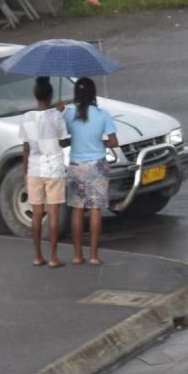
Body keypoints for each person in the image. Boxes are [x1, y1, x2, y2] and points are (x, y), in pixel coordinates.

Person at [63, 77, 120, 266]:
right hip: (97, 165)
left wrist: (60, 110)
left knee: (77, 210)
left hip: (77, 166)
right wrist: (101, 143)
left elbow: (64, 136)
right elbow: (113, 142)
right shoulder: (103, 114)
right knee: (95, 210)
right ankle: (94, 256)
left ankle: (78, 255)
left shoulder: (69, 114)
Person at [18, 78, 70, 267]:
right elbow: (64, 142)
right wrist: (61, 113)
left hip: (34, 169)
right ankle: (54, 257)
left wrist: (26, 172)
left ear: (36, 95)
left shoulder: (26, 117)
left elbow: (25, 147)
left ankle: (37, 256)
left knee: (37, 214)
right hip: (53, 168)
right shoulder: (56, 116)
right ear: (50, 96)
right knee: (54, 215)